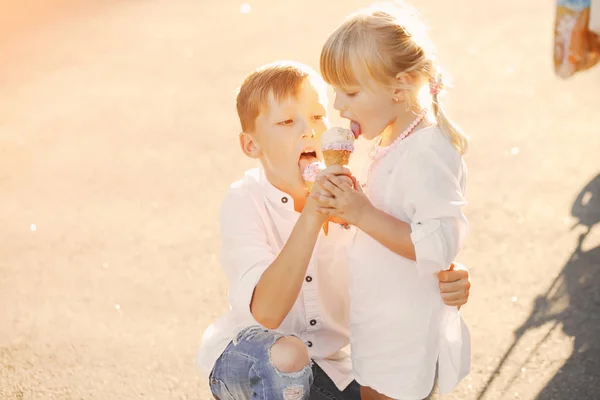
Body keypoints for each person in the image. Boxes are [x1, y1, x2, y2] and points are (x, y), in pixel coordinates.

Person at [196, 60, 472, 400]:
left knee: (400, 379)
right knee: (288, 355)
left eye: (317, 116)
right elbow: (267, 313)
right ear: (252, 145)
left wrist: (445, 273)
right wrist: (313, 213)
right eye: (286, 121)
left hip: (331, 368)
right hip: (249, 359)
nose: (307, 130)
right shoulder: (244, 199)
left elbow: (402, 255)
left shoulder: (358, 199)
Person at [315, 3, 470, 399]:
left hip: (403, 330)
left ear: (399, 87)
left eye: (349, 92)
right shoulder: (391, 137)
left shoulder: (426, 152)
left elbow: (437, 244)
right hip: (380, 316)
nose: (337, 104)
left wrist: (363, 213)